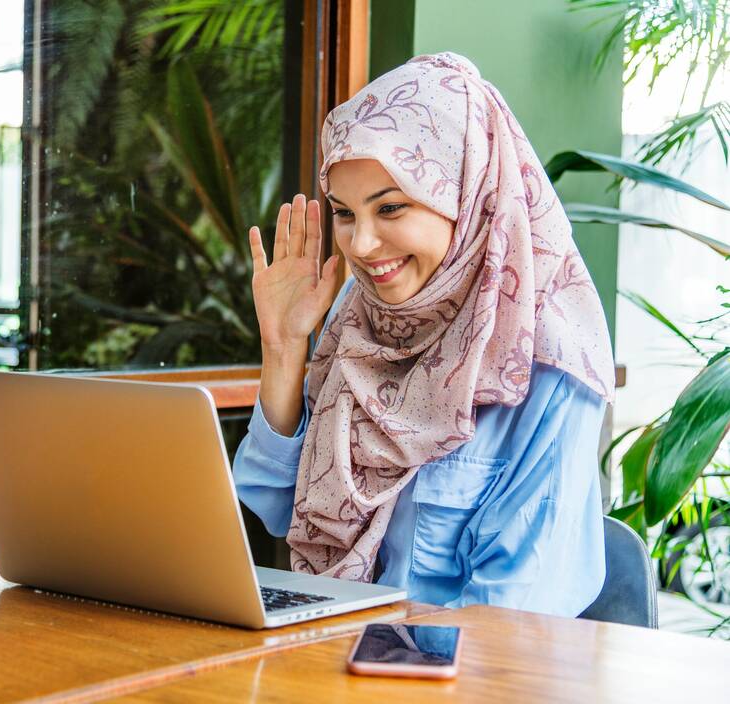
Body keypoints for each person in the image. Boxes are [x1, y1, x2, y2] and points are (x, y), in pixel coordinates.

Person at [234, 53, 615, 617]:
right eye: (344, 213)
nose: (361, 245)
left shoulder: (548, 363)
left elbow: (511, 618)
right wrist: (284, 348)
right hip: (328, 643)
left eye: (390, 208)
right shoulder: (361, 318)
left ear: (467, 196)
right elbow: (278, 505)